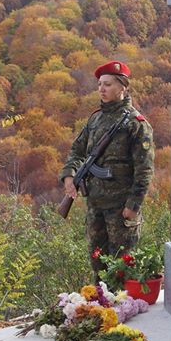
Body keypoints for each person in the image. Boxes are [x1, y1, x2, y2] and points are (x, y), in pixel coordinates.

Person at [60, 61, 155, 281]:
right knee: (98, 265)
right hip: (95, 207)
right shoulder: (96, 119)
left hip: (121, 209)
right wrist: (69, 176)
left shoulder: (136, 124)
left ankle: (122, 312)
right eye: (100, 84)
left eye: (108, 84)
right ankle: (100, 310)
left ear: (123, 87)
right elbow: (76, 150)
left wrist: (133, 206)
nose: (101, 89)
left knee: (122, 267)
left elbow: (144, 170)